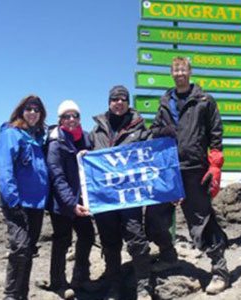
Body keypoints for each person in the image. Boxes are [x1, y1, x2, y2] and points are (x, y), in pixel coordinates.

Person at [147, 57, 230, 295]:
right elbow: (153, 131)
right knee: (153, 220)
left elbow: (216, 134)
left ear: (190, 72)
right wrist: (162, 130)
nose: (180, 73)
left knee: (202, 223)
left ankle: (220, 271)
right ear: (171, 73)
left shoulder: (205, 101)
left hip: (195, 169)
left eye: (183, 69)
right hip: (168, 170)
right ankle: (168, 255)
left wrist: (215, 166)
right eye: (176, 69)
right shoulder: (165, 102)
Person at [89, 85, 152, 300]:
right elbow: (87, 161)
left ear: (128, 102)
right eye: (114, 99)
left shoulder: (140, 128)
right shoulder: (96, 131)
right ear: (109, 102)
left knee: (136, 238)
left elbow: (153, 154)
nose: (118, 102)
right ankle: (114, 286)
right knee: (110, 242)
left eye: (123, 99)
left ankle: (144, 286)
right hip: (105, 199)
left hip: (130, 197)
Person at [0, 95, 49, 300]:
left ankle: (22, 294)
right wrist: (13, 200)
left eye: (37, 110)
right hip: (17, 203)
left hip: (36, 204)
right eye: (29, 109)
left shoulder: (37, 137)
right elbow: (4, 167)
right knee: (20, 248)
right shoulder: (11, 133)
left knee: (28, 250)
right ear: (21, 111)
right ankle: (10, 295)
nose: (33, 113)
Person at [46, 100, 95, 299]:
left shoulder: (85, 138)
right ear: (60, 120)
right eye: (67, 116)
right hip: (62, 204)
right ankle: (58, 282)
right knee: (62, 241)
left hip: (81, 201)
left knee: (87, 236)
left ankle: (81, 277)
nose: (72, 119)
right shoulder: (55, 142)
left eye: (75, 115)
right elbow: (57, 177)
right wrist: (71, 204)